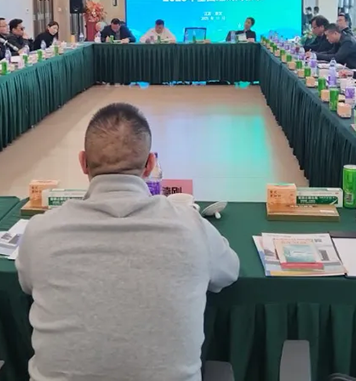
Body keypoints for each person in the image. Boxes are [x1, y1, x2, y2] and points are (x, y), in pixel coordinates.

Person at [16, 103, 239, 381]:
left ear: (83, 162)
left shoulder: (41, 231)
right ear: (150, 165)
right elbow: (229, 271)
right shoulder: (192, 227)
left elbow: (26, 283)